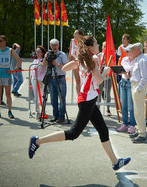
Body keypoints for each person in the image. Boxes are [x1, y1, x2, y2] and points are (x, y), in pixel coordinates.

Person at [28, 36, 131, 171]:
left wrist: (79, 62)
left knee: (103, 130)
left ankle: (115, 162)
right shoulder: (92, 59)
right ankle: (37, 141)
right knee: (73, 133)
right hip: (87, 100)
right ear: (90, 47)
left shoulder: (85, 59)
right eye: (96, 43)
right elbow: (99, 80)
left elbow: (64, 68)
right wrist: (107, 70)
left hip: (88, 98)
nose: (98, 44)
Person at [0, 35, 22, 119]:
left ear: (4, 42)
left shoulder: (10, 50)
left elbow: (19, 61)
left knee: (8, 94)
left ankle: (9, 111)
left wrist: (14, 69)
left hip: (7, 75)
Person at [128, 43, 147, 143]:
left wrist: (138, 88)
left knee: (139, 111)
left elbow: (144, 77)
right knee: (136, 111)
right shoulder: (138, 59)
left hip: (138, 87)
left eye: (133, 50)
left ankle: (142, 134)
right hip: (135, 85)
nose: (132, 52)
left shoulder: (142, 60)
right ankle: (139, 130)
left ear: (138, 50)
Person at [42, 39, 68, 123]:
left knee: (62, 98)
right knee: (53, 99)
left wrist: (57, 64)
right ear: (50, 46)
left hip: (60, 78)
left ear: (58, 45)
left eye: (56, 45)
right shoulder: (48, 54)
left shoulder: (62, 55)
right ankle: (55, 116)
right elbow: (43, 66)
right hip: (51, 78)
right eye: (52, 45)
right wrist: (46, 57)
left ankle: (61, 117)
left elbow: (66, 67)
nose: (54, 47)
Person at [116, 45, 136, 134]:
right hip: (123, 82)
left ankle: (132, 125)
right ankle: (125, 124)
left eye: (127, 51)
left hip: (131, 83)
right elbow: (122, 71)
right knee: (123, 105)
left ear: (132, 51)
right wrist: (120, 72)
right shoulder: (124, 59)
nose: (126, 53)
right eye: (126, 51)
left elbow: (136, 73)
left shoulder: (137, 60)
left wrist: (128, 74)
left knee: (131, 106)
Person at [97, 41, 112, 116]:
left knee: (107, 94)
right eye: (104, 46)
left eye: (107, 46)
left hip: (108, 78)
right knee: (98, 94)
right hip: (100, 78)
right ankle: (98, 109)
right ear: (102, 47)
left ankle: (108, 109)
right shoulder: (99, 55)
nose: (105, 48)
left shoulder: (110, 56)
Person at [30, 45, 46, 114]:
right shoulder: (35, 60)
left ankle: (43, 110)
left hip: (41, 80)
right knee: (35, 95)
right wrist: (31, 80)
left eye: (39, 51)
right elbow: (31, 71)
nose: (37, 53)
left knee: (42, 95)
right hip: (34, 79)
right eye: (36, 51)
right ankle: (37, 109)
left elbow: (44, 68)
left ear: (42, 53)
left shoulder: (43, 61)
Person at [68, 29, 83, 94]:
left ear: (80, 35)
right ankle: (79, 96)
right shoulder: (72, 41)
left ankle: (83, 95)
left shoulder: (83, 42)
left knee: (82, 80)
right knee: (77, 80)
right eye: (74, 33)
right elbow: (70, 52)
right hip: (75, 61)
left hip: (82, 62)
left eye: (75, 33)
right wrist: (68, 62)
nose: (74, 35)